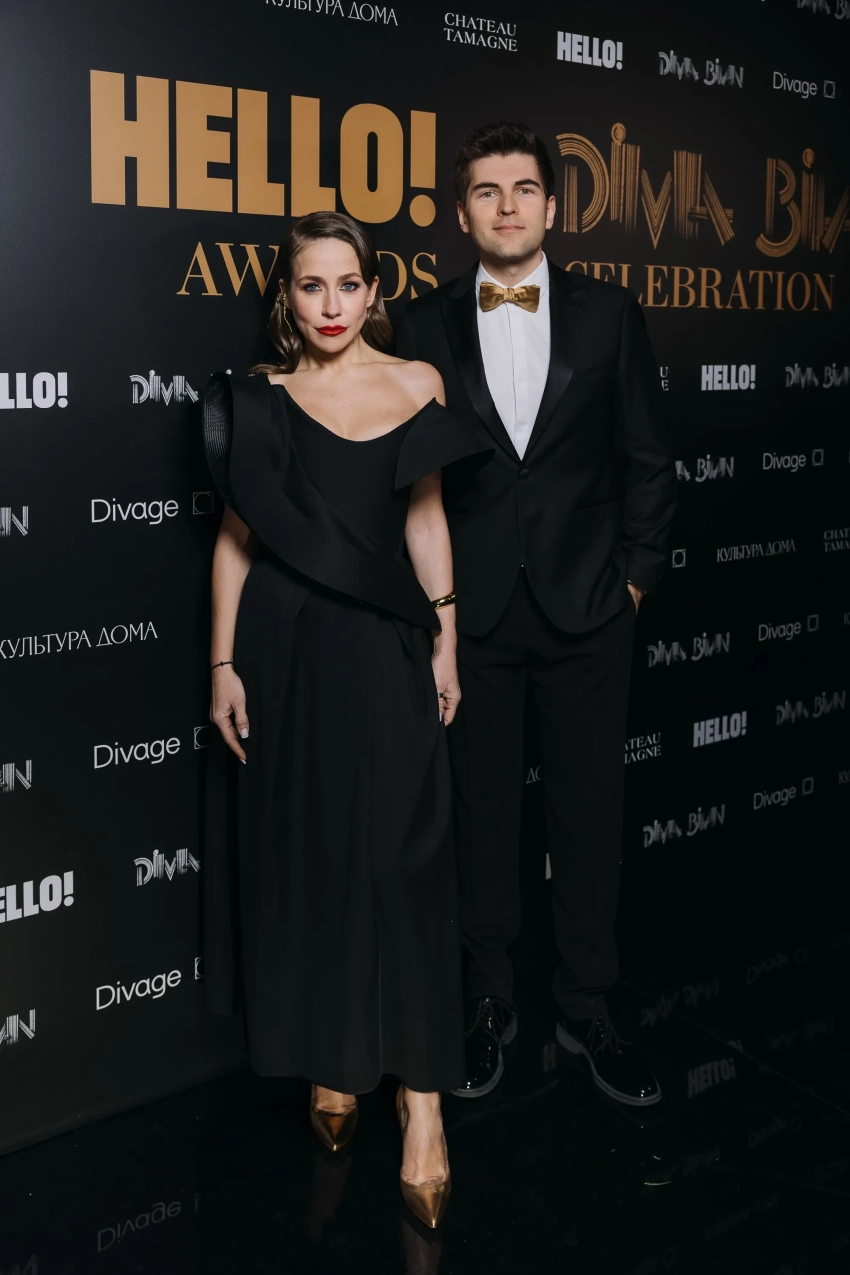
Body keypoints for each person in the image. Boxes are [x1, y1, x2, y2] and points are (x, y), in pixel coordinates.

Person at [201, 211, 491, 1228]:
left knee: (406, 865)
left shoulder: (417, 384)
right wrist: (223, 662)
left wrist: (444, 638)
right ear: (287, 297)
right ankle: (334, 1056)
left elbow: (427, 516)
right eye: (310, 286)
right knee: (318, 856)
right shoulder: (259, 399)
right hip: (287, 651)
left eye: (347, 284)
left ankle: (423, 1104)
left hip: (384, 646)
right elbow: (236, 540)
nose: (330, 305)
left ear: (374, 291)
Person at [394, 122, 677, 1105]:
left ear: (553, 207)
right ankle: (488, 1003)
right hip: (469, 616)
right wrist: (434, 610)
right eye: (486, 190)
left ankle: (587, 1005)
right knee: (480, 816)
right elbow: (409, 478)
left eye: (523, 189)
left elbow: (649, 459)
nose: (506, 205)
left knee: (588, 812)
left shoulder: (610, 313)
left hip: (588, 608)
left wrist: (632, 584)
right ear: (461, 211)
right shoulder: (423, 323)